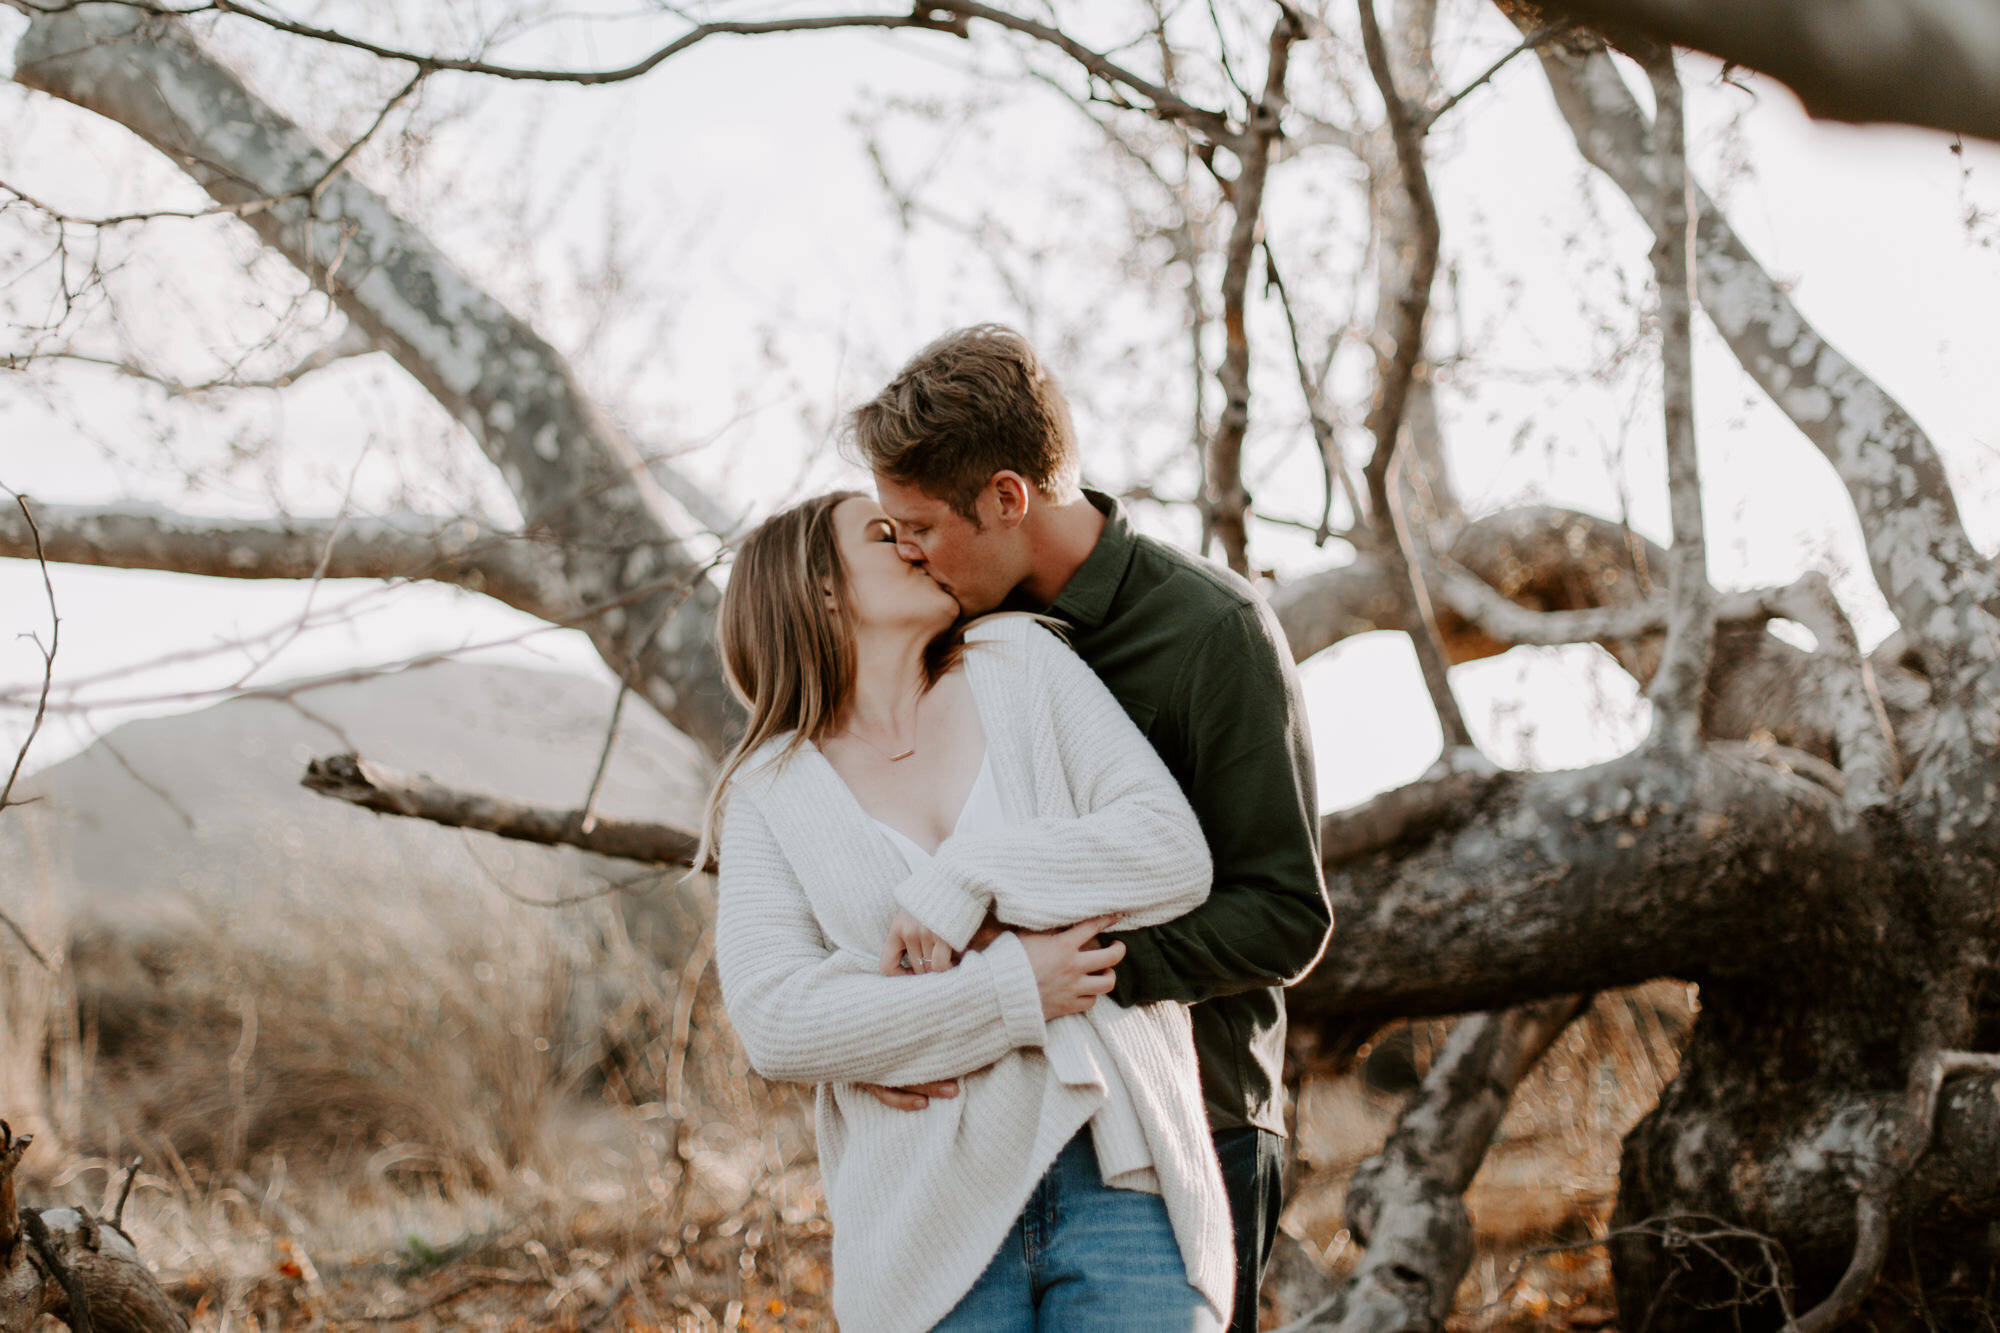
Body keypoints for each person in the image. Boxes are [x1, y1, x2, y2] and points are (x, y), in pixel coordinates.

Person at [850, 325, 1332, 1333]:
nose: (902, 551)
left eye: (918, 525)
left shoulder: (1210, 633)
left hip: (1193, 1119)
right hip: (994, 1130)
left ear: (1006, 498)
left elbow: (1282, 914)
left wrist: (1067, 977)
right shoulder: (951, 636)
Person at [704, 490, 1235, 1332]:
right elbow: (777, 1022)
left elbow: (1171, 852)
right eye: (886, 534)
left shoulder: (1018, 663)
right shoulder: (769, 790)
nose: (918, 545)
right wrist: (1014, 987)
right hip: (921, 1215)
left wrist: (972, 877)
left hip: (1116, 1168)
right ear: (821, 588)